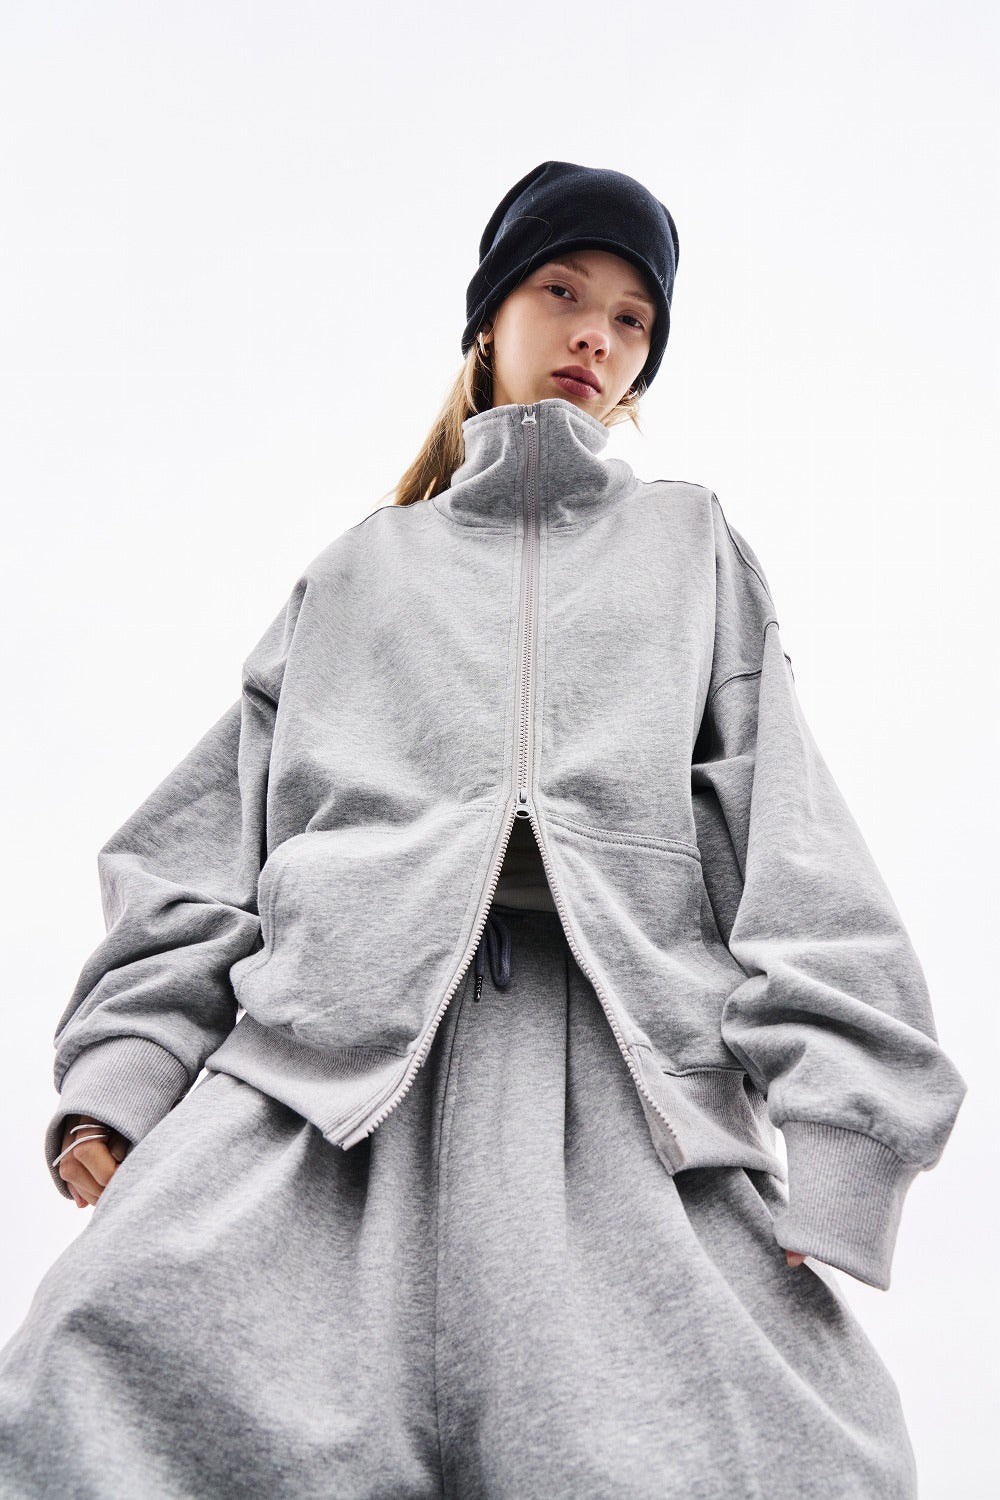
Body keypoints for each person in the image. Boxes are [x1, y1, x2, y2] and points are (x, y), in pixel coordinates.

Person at [0, 160, 968, 1499]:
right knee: (91, 1367)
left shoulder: (691, 550)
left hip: (625, 1101)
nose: (596, 335)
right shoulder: (358, 571)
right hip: (321, 1085)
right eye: (563, 291)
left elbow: (791, 840)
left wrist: (847, 1135)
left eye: (632, 319)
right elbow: (204, 846)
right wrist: (125, 1075)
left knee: (785, 1452)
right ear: (488, 319)